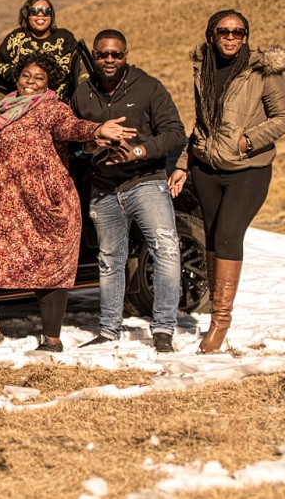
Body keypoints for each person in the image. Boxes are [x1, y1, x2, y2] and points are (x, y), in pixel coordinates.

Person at [0, 53, 135, 353]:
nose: (31, 82)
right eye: (26, 75)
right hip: (0, 208)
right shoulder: (2, 109)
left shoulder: (51, 109)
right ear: (17, 77)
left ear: (48, 84)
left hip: (40, 205)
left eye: (39, 78)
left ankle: (51, 338)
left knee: (48, 266)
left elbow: (71, 127)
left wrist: (97, 129)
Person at [169, 10, 285, 353]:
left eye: (238, 32)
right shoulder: (203, 68)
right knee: (212, 237)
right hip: (206, 169)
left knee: (227, 234)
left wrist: (247, 141)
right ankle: (215, 312)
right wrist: (184, 164)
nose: (231, 37)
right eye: (224, 31)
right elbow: (202, 123)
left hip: (248, 169)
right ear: (211, 35)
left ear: (246, 37)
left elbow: (284, 117)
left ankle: (220, 322)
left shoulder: (262, 70)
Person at [72, 30, 186, 352]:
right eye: (102, 54)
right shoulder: (82, 94)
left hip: (145, 181)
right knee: (109, 260)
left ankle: (163, 329)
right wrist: (92, 143)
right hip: (103, 187)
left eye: (116, 54)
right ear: (94, 57)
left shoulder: (148, 87)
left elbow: (175, 133)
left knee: (166, 249)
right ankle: (109, 330)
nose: (109, 60)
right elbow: (73, 141)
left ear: (126, 55)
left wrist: (139, 151)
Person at [0, 0, 81, 101]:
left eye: (46, 11)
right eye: (34, 11)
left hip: (58, 102)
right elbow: (0, 64)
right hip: (22, 102)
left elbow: (75, 69)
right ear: (27, 15)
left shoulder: (65, 38)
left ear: (51, 15)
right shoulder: (15, 38)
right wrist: (21, 77)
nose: (40, 15)